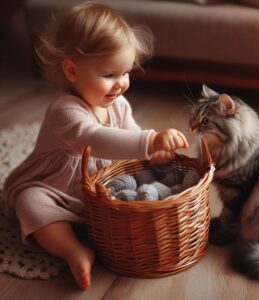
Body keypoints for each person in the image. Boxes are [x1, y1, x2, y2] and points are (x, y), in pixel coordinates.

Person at [3, 2, 189, 290]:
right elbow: (96, 139)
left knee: (134, 190)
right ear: (72, 71)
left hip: (97, 191)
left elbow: (130, 138)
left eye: (125, 72)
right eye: (109, 75)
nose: (121, 83)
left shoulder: (118, 104)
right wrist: (150, 140)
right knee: (31, 204)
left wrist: (153, 153)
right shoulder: (64, 111)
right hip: (55, 187)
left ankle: (102, 227)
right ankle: (72, 251)